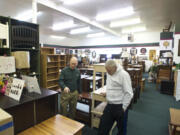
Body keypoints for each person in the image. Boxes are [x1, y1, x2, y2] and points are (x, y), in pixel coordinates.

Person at [98, 59, 133, 135]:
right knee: (102, 128)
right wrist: (107, 93)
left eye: (109, 71)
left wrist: (123, 108)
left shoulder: (124, 75)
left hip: (120, 106)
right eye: (107, 70)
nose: (108, 73)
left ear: (115, 67)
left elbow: (129, 93)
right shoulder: (109, 73)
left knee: (121, 130)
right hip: (110, 105)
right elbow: (112, 86)